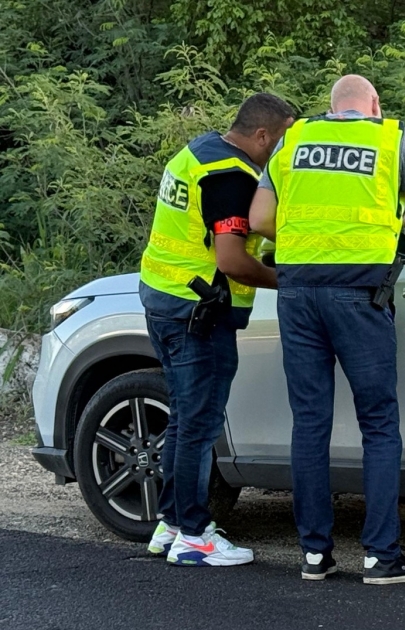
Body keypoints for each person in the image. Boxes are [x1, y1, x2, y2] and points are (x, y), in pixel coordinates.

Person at [248, 75, 405, 585]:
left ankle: (314, 554)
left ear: (331, 108)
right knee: (378, 423)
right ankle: (381, 556)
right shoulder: (393, 138)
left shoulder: (294, 140)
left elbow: (260, 218)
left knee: (309, 423)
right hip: (359, 296)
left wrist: (310, 235)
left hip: (296, 295)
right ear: (374, 104)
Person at [140, 93, 294, 566]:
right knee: (200, 423)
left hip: (165, 298)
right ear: (263, 135)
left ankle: (170, 524)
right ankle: (194, 535)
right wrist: (284, 279)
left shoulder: (201, 150)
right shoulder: (231, 176)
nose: (284, 155)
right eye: (283, 142)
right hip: (198, 313)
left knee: (186, 417)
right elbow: (231, 259)